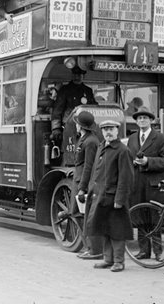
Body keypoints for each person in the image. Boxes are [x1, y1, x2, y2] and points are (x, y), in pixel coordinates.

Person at [85, 119, 134, 272]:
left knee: (117, 230)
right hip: (100, 196)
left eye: (111, 129)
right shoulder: (102, 147)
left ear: (117, 130)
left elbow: (126, 177)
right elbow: (96, 172)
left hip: (114, 198)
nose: (108, 132)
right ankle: (108, 259)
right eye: (105, 129)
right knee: (104, 228)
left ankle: (119, 261)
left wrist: (120, 199)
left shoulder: (122, 150)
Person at [127, 106, 164, 262]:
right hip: (137, 183)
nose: (142, 120)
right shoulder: (132, 138)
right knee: (140, 216)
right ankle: (143, 250)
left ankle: (158, 252)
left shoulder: (160, 138)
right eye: (139, 118)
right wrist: (133, 162)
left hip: (153, 184)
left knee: (155, 217)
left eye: (145, 118)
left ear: (151, 121)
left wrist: (148, 161)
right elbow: (128, 157)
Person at [73, 111, 103, 260]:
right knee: (78, 214)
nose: (76, 126)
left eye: (77, 123)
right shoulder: (85, 139)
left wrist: (82, 187)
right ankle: (88, 246)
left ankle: (92, 248)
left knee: (84, 216)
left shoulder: (90, 142)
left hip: (82, 182)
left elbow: (88, 166)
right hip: (78, 180)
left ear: (81, 126)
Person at [50, 66, 97, 146]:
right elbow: (57, 110)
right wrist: (56, 128)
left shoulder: (88, 91)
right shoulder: (65, 90)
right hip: (69, 126)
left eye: (79, 75)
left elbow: (94, 107)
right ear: (72, 75)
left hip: (86, 125)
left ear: (83, 76)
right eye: (75, 74)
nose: (77, 77)